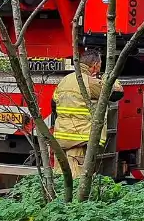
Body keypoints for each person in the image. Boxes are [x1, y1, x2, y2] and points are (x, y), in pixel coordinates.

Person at [52, 48, 123, 177]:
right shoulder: (90, 83)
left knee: (59, 178)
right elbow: (117, 93)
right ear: (95, 66)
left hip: (61, 139)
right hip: (80, 140)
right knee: (77, 180)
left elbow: (54, 106)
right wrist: (110, 78)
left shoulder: (64, 81)